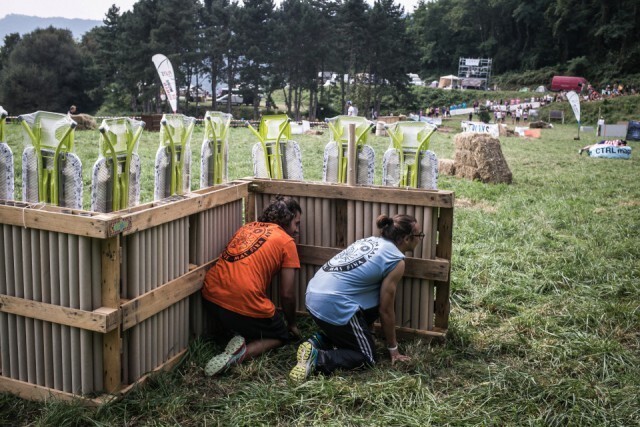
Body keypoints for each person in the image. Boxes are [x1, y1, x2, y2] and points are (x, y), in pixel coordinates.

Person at [289, 214, 419, 382]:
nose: (420, 238)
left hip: (313, 296)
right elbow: (386, 310)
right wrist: (393, 349)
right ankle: (318, 358)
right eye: (419, 235)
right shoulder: (396, 260)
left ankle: (317, 342)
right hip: (334, 303)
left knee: (367, 305)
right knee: (366, 357)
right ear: (407, 239)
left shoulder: (369, 241)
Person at [202, 196, 302, 376]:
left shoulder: (247, 227)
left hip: (210, 296)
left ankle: (234, 334)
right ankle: (240, 354)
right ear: (286, 220)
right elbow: (287, 294)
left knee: (244, 319)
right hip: (240, 302)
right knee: (280, 335)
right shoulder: (286, 242)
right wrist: (292, 324)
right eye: (296, 223)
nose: (297, 230)